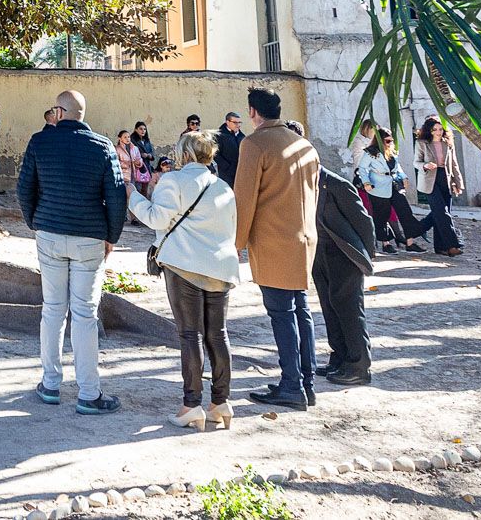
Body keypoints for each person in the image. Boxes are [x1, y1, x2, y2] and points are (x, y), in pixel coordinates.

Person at [16, 89, 126, 414]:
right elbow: (116, 196)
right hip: (89, 237)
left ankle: (50, 385)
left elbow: (24, 188)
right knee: (85, 314)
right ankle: (89, 393)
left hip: (49, 233)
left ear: (59, 112)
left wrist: (36, 221)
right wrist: (111, 237)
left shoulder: (40, 142)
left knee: (52, 309)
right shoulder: (102, 146)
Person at [130, 130, 239, 431]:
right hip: (220, 267)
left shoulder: (173, 181)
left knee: (190, 335)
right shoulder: (223, 187)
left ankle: (191, 405)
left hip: (184, 265)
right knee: (218, 334)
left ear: (186, 154)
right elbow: (231, 229)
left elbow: (157, 219)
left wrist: (133, 198)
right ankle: (221, 402)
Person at [232, 88, 320, 410]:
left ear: (253, 112)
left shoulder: (254, 144)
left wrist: (236, 243)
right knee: (301, 310)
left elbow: (244, 199)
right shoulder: (304, 144)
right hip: (304, 238)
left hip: (274, 240)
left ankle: (292, 385)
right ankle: (306, 383)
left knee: (282, 314)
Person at [311, 140, 378, 387]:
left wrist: (365, 257)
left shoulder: (337, 184)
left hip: (344, 254)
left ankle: (359, 366)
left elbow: (364, 222)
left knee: (349, 309)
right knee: (330, 307)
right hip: (320, 253)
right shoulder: (302, 185)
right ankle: (339, 357)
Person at [357, 128, 426, 252]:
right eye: (387, 141)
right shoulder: (370, 153)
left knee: (405, 211)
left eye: (391, 140)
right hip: (378, 187)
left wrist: (404, 177)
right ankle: (386, 243)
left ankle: (410, 242)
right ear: (380, 141)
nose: (390, 143)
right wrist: (366, 182)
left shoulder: (392, 152)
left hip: (393, 185)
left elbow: (397, 167)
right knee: (381, 215)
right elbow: (362, 168)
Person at [413, 118, 465, 256]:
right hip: (429, 180)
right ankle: (453, 245)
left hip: (445, 178)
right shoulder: (421, 143)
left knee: (439, 214)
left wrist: (458, 183)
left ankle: (436, 245)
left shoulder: (448, 143)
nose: (438, 132)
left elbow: (454, 164)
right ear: (429, 130)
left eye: (440, 129)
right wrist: (425, 165)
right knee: (442, 212)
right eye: (434, 129)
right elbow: (416, 162)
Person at [215, 111, 245, 186]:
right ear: (227, 122)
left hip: (240, 173)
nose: (238, 125)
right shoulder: (219, 136)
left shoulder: (242, 136)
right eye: (235, 122)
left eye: (239, 122)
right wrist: (227, 167)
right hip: (226, 174)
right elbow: (215, 154)